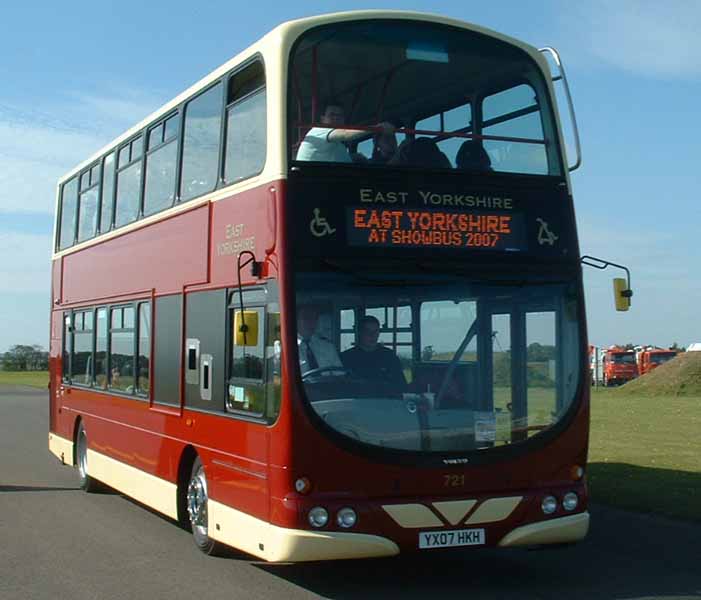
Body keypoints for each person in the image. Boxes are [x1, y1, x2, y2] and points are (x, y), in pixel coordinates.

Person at [296, 102, 394, 163]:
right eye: (332, 115)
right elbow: (346, 134)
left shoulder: (339, 145)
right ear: (322, 119)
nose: (336, 118)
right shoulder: (318, 130)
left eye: (340, 115)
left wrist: (354, 157)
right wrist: (378, 128)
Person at [341, 315, 407, 389]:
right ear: (359, 332)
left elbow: (401, 385)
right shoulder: (346, 358)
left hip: (385, 399)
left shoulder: (389, 356)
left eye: (375, 331)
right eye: (367, 331)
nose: (372, 335)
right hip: (356, 399)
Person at [297, 304, 342, 374]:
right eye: (306, 318)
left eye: (314, 318)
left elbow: (340, 375)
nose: (311, 322)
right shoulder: (285, 348)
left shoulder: (327, 347)